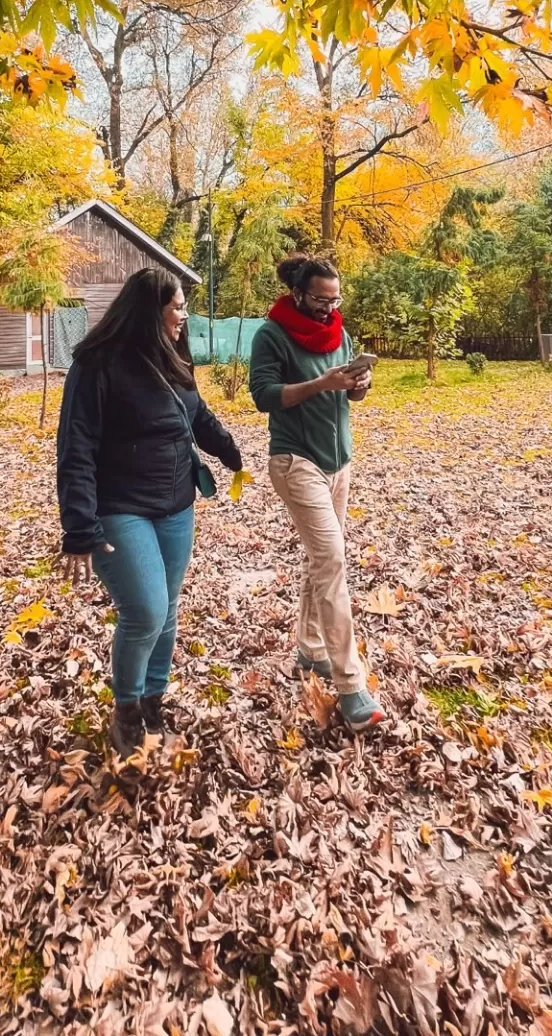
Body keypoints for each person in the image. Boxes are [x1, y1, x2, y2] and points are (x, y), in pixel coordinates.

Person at [55, 266, 243, 757]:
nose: (184, 315)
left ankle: (153, 699)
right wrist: (79, 527)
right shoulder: (96, 365)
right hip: (120, 506)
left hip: (176, 503)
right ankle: (127, 709)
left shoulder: (171, 355)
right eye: (178, 305)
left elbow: (195, 412)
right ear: (150, 308)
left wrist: (226, 448)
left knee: (169, 608)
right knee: (145, 611)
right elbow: (76, 447)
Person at [248, 254, 385, 733]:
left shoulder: (339, 332)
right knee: (333, 562)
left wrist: (358, 385)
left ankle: (310, 649)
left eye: (336, 299)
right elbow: (263, 395)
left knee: (320, 560)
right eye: (321, 299)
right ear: (299, 294)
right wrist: (321, 383)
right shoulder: (272, 334)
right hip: (295, 461)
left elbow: (350, 396)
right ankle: (351, 687)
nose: (330, 308)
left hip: (339, 462)